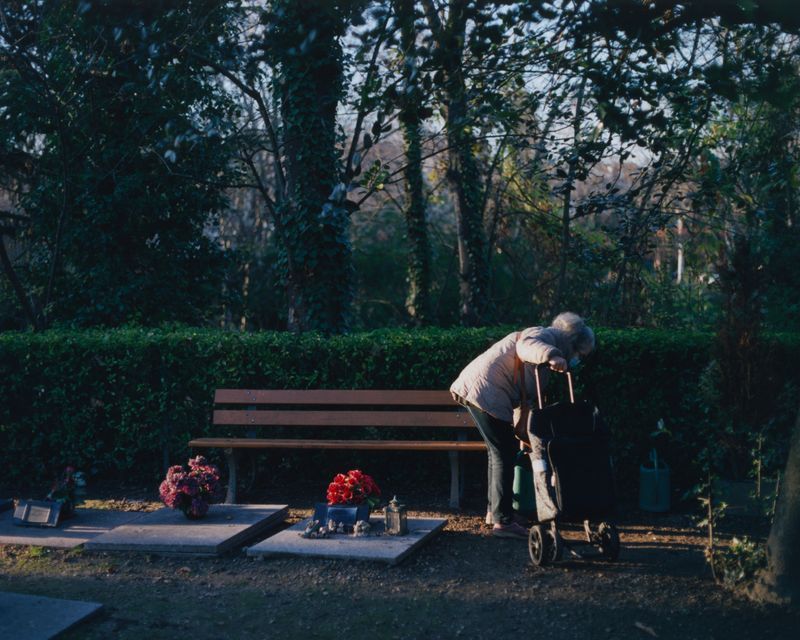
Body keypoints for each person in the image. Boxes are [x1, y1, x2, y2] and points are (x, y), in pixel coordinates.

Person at [449, 312, 596, 539]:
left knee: (499, 453)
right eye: (578, 354)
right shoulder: (543, 336)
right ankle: (503, 521)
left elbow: (525, 398)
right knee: (503, 454)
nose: (577, 359)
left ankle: (497, 512)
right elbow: (527, 346)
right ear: (572, 343)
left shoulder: (547, 349)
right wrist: (552, 355)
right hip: (485, 391)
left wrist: (526, 434)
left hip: (484, 390)